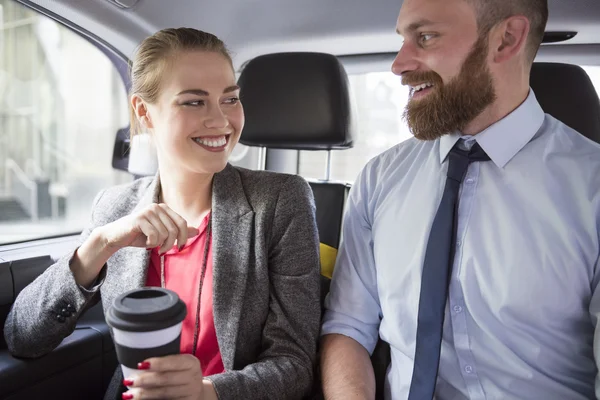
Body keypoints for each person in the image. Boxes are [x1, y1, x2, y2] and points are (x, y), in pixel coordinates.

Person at [4, 28, 321, 400]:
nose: (220, 121)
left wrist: (206, 392)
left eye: (230, 99)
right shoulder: (114, 209)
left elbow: (295, 364)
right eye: (194, 102)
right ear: (144, 112)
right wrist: (100, 245)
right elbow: (22, 338)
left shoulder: (281, 201)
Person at [320, 0, 600, 399]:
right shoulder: (380, 179)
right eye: (403, 40)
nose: (399, 64)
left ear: (505, 40)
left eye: (426, 37)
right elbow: (347, 326)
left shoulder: (592, 188)